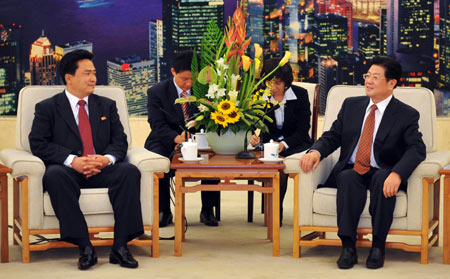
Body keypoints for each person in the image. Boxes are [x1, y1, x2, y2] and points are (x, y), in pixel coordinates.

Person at [299, 56, 426, 269]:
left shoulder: (405, 114)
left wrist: (398, 173)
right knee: (347, 178)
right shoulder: (351, 105)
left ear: (391, 83)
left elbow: (417, 149)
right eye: (368, 75)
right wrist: (316, 151)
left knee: (382, 180)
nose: (369, 81)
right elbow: (333, 136)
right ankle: (348, 247)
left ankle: (378, 247)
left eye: (376, 77)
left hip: (383, 169)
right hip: (353, 167)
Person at [29, 50, 143, 270]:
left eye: (94, 73)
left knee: (130, 171)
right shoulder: (48, 108)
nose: (93, 78)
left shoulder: (106, 105)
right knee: (54, 175)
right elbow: (39, 144)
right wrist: (73, 161)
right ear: (69, 78)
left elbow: (120, 141)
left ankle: (120, 247)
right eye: (87, 73)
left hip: (101, 168)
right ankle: (85, 246)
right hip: (69, 171)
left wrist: (105, 159)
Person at [145, 50, 220, 227]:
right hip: (165, 138)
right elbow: (156, 124)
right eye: (184, 79)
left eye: (193, 79)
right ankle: (164, 210)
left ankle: (208, 210)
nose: (189, 84)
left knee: (213, 157)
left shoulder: (207, 90)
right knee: (159, 159)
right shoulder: (156, 92)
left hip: (199, 137)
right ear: (173, 72)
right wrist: (176, 138)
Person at [251, 58, 312, 225]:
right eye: (269, 83)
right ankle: (272, 210)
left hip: (296, 144)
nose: (272, 87)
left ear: (286, 82)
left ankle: (275, 212)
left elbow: (302, 130)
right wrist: (252, 136)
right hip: (268, 146)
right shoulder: (260, 95)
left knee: (280, 168)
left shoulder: (300, 95)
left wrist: (283, 145)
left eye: (277, 83)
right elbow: (250, 122)